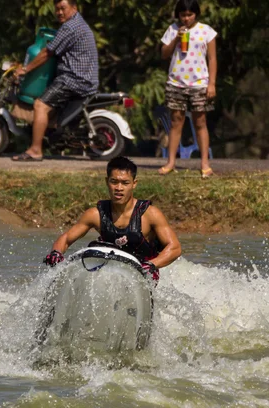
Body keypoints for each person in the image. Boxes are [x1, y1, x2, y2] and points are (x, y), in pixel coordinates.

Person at [43, 156, 182, 281]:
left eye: (125, 183)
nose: (119, 188)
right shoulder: (95, 214)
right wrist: (56, 253)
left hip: (143, 276)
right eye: (114, 182)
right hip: (108, 275)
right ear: (107, 182)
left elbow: (174, 248)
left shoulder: (150, 214)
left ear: (134, 183)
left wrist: (152, 265)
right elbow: (66, 239)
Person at [11, 0, 98, 162]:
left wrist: (25, 69)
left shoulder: (70, 27)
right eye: (56, 9)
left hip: (74, 79)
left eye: (63, 8)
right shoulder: (78, 23)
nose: (59, 12)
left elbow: (46, 53)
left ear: (74, 7)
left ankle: (36, 150)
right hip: (83, 78)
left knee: (40, 105)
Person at [158, 0, 217, 179]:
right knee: (176, 122)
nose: (186, 18)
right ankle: (171, 162)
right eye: (183, 15)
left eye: (190, 15)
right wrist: (176, 38)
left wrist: (211, 83)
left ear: (196, 14)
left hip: (199, 83)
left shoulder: (206, 31)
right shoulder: (173, 29)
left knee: (200, 122)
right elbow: (164, 53)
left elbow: (212, 59)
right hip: (176, 82)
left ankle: (205, 163)